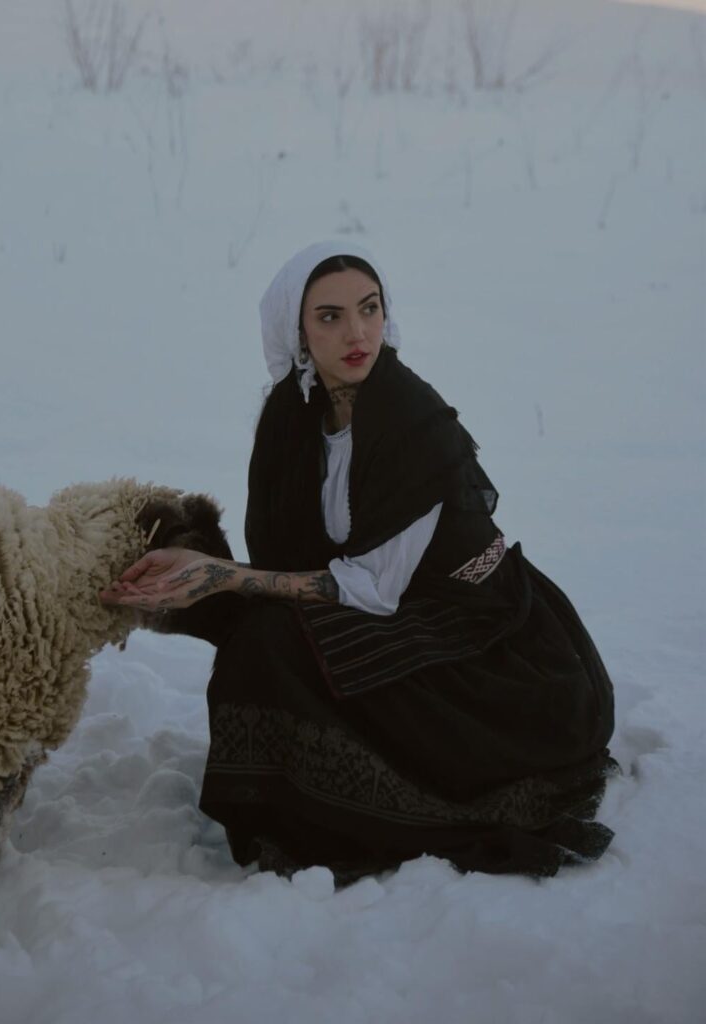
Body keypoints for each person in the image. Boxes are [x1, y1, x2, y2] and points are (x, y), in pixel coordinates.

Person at [100, 241, 616, 882]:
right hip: (397, 609)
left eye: (369, 309)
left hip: (477, 639)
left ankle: (341, 811)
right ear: (297, 330)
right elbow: (287, 557)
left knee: (273, 643)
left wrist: (223, 577)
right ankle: (295, 802)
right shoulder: (292, 418)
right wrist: (194, 572)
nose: (357, 333)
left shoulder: (411, 420)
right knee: (263, 637)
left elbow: (371, 588)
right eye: (330, 316)